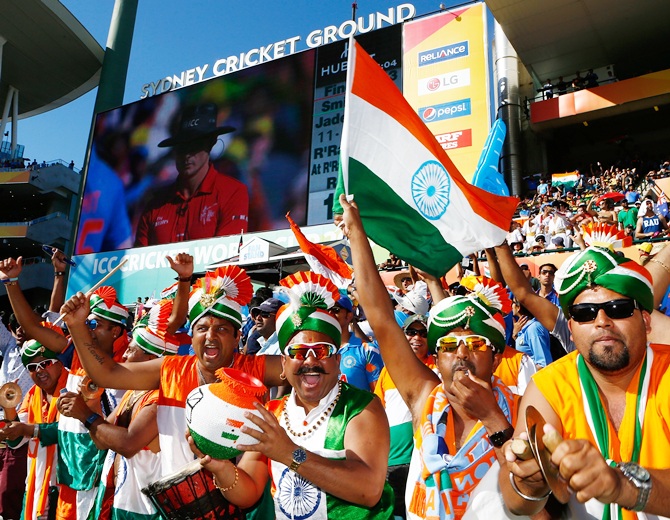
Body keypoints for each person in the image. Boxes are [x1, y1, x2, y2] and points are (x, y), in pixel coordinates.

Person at [338, 195, 516, 520]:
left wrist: (494, 419)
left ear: (497, 354)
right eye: (448, 346)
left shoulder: (523, 408)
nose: (461, 354)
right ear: (436, 357)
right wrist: (357, 234)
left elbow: (541, 500)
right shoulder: (425, 400)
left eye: (475, 344)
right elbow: (381, 318)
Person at [190, 271, 395, 518]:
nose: (310, 360)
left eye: (321, 350)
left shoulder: (361, 407)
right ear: (284, 366)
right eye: (298, 351)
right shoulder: (272, 414)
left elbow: (368, 489)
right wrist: (220, 467)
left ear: (337, 360)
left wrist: (288, 453)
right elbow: (248, 493)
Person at [59, 261, 284, 481]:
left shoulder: (254, 368)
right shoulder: (171, 370)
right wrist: (77, 325)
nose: (210, 336)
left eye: (222, 329)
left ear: (237, 337)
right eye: (202, 328)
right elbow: (106, 374)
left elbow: (300, 366)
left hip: (241, 502)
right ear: (192, 336)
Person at [500, 246, 670, 517]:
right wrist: (528, 482)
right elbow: (515, 503)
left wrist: (623, 486)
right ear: (570, 327)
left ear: (646, 321)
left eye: (618, 308)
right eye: (584, 313)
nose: (602, 321)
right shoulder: (549, 386)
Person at [63, 298, 181, 520]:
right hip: (119, 501)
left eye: (130, 350)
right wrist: (90, 402)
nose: (124, 355)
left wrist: (85, 414)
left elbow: (127, 444)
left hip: (144, 511)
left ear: (151, 360)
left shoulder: (161, 399)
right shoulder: (134, 392)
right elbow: (101, 439)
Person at [134, 102, 249, 247]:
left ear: (211, 143)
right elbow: (138, 263)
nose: (187, 154)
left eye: (195, 144)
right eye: (182, 146)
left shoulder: (233, 192)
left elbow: (228, 259)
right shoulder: (154, 204)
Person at [375, 314, 436, 519]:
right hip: (392, 460)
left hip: (424, 462)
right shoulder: (388, 371)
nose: (416, 338)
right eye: (411, 332)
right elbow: (378, 413)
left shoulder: (437, 370)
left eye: (422, 333)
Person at [0, 338, 67, 520]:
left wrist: (30, 430)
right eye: (31, 367)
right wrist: (8, 405)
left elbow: (70, 430)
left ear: (60, 363)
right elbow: (16, 440)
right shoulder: (32, 394)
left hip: (66, 487)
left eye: (45, 363)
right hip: (36, 486)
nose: (39, 370)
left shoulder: (73, 387)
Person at [333, 295, 384, 391]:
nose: (330, 313)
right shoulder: (317, 350)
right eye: (327, 310)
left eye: (335, 309)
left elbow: (378, 395)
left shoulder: (367, 350)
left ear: (349, 316)